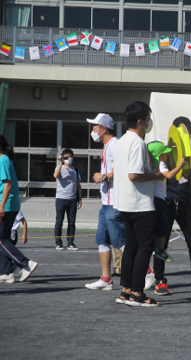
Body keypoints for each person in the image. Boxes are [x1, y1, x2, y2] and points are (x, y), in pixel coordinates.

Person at [153, 116, 191, 296]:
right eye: (188, 130)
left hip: (185, 202)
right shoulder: (165, 150)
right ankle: (160, 281)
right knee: (161, 243)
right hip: (167, 202)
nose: (190, 134)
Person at [113, 101, 161, 307]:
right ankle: (137, 293)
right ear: (141, 122)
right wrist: (157, 175)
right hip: (140, 204)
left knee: (131, 247)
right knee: (144, 248)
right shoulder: (138, 143)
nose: (149, 123)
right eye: (148, 119)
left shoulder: (122, 141)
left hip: (124, 202)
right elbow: (134, 174)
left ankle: (125, 290)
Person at [84, 113, 126, 291]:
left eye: (95, 126)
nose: (92, 130)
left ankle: (148, 271)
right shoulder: (107, 145)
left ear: (104, 129)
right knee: (102, 240)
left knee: (120, 242)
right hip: (106, 202)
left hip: (115, 202)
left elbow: (122, 169)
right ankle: (106, 279)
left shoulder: (114, 145)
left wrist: (104, 176)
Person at [145, 141, 185, 293]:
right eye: (166, 153)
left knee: (155, 232)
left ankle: (156, 251)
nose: (168, 155)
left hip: (152, 200)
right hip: (160, 201)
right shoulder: (161, 165)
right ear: (160, 155)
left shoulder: (150, 166)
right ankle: (160, 250)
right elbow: (168, 175)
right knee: (163, 228)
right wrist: (179, 166)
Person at [0, 135, 37, 284]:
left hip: (6, 204)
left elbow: (7, 185)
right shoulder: (5, 160)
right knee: (4, 238)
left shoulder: (2, 160)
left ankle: (25, 263)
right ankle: (6, 272)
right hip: (10, 204)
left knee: (1, 240)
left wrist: (1, 205)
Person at [53, 148, 82, 250]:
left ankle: (70, 242)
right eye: (66, 157)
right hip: (61, 198)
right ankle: (58, 242)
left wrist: (80, 199)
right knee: (59, 221)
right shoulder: (59, 167)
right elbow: (55, 175)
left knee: (71, 222)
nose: (68, 159)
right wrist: (60, 163)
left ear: (73, 158)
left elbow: (78, 185)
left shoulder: (75, 170)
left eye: (70, 157)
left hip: (72, 199)